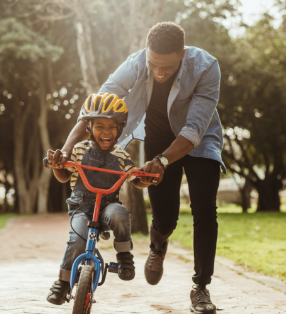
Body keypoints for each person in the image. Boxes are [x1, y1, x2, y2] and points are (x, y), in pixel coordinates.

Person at [51, 22, 225, 314]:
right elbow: (97, 106)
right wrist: (67, 149)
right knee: (166, 217)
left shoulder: (206, 68)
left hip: (200, 139)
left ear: (182, 54)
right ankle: (158, 245)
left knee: (205, 209)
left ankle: (201, 287)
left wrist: (164, 161)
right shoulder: (135, 63)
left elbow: (194, 128)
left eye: (166, 68)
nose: (158, 73)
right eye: (153, 65)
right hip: (158, 136)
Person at [45, 92, 151, 306]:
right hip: (82, 208)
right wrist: (57, 166)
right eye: (99, 126)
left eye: (112, 127)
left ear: (120, 129)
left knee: (120, 214)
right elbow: (64, 175)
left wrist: (146, 178)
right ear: (89, 128)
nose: (106, 132)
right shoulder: (78, 149)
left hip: (108, 207)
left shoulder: (121, 155)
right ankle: (63, 282)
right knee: (77, 240)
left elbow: (134, 178)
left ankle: (124, 256)